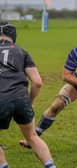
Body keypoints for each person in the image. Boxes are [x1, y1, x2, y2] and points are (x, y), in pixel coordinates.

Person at [0, 22, 56, 168]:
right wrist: (29, 101)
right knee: (31, 136)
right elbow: (37, 82)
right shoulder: (21, 51)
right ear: (14, 36)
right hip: (21, 98)